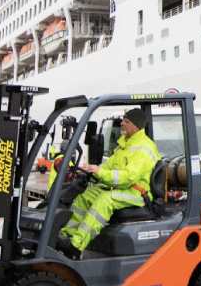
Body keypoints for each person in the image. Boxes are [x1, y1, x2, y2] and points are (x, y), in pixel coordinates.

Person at [59, 109, 160, 258]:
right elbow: (109, 166)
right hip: (122, 189)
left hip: (137, 193)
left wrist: (100, 173)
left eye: (126, 121)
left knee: (105, 200)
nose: (122, 123)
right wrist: (92, 170)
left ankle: (75, 246)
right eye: (123, 120)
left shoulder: (144, 148)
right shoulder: (124, 144)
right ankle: (65, 236)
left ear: (136, 126)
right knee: (85, 196)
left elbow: (128, 177)